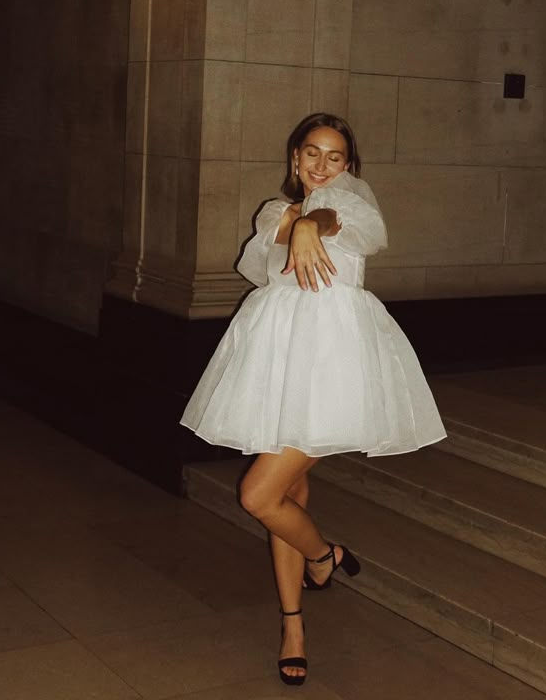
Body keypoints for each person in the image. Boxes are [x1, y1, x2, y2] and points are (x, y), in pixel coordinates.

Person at [181, 113, 446, 685]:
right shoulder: (273, 211)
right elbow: (274, 237)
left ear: (348, 164)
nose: (322, 165)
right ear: (294, 157)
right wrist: (297, 221)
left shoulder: (353, 206)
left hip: (332, 366)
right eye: (311, 153)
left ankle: (323, 556)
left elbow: (341, 221)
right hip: (275, 359)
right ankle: (295, 623)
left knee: (259, 493)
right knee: (288, 494)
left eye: (334, 156)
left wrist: (313, 223)